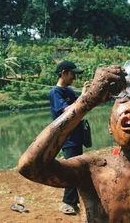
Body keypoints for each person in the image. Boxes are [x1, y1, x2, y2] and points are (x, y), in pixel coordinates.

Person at [18, 65, 130, 222]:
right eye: (123, 99)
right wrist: (87, 100)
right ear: (110, 125)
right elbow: (30, 166)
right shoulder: (92, 171)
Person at [49, 60, 86, 215]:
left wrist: (85, 96)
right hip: (67, 137)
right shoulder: (55, 92)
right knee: (71, 169)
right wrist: (84, 96)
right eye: (73, 74)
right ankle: (67, 202)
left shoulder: (69, 91)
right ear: (64, 73)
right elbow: (68, 110)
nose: (74, 78)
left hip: (76, 136)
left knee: (77, 168)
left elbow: (80, 106)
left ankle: (74, 200)